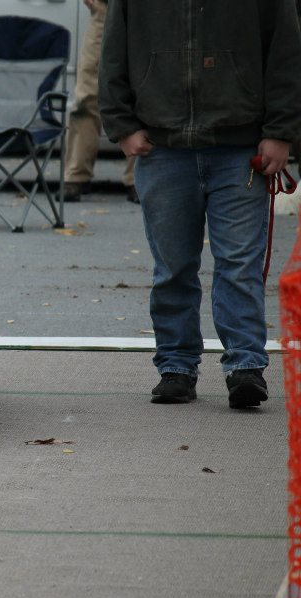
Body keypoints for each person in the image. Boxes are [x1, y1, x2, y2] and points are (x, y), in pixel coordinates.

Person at [99, 0, 301, 408]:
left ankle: (245, 366)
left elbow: (287, 54)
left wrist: (281, 131)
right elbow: (113, 52)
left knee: (240, 264)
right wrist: (121, 125)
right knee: (172, 267)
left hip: (240, 147)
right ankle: (176, 366)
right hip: (162, 147)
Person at [62, 0, 137, 204]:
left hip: (147, 12)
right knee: (86, 96)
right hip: (105, 10)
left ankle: (137, 178)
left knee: (142, 94)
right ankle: (76, 175)